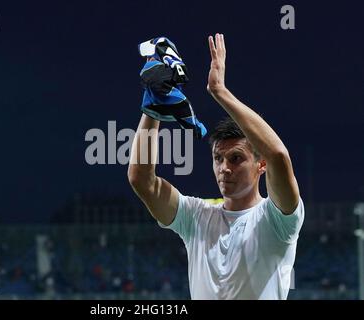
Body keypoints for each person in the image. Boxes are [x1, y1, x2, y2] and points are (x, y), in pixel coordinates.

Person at [127, 34, 304, 300]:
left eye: (236, 158)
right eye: (218, 158)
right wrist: (152, 105)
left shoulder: (276, 220)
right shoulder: (196, 217)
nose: (224, 168)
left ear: (261, 164)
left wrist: (220, 92)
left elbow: (278, 154)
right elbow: (142, 180)